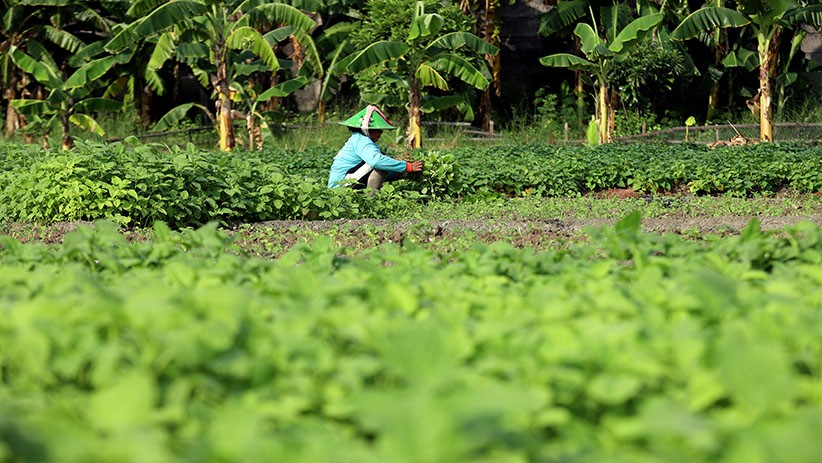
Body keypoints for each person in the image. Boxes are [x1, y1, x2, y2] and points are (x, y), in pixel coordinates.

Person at [327, 105, 424, 189]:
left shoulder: (358, 139)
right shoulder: (362, 141)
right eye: (377, 129)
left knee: (384, 163)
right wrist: (407, 167)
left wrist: (398, 173)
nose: (381, 132)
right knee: (381, 163)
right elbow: (377, 161)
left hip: (346, 180)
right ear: (367, 129)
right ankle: (370, 201)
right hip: (341, 185)